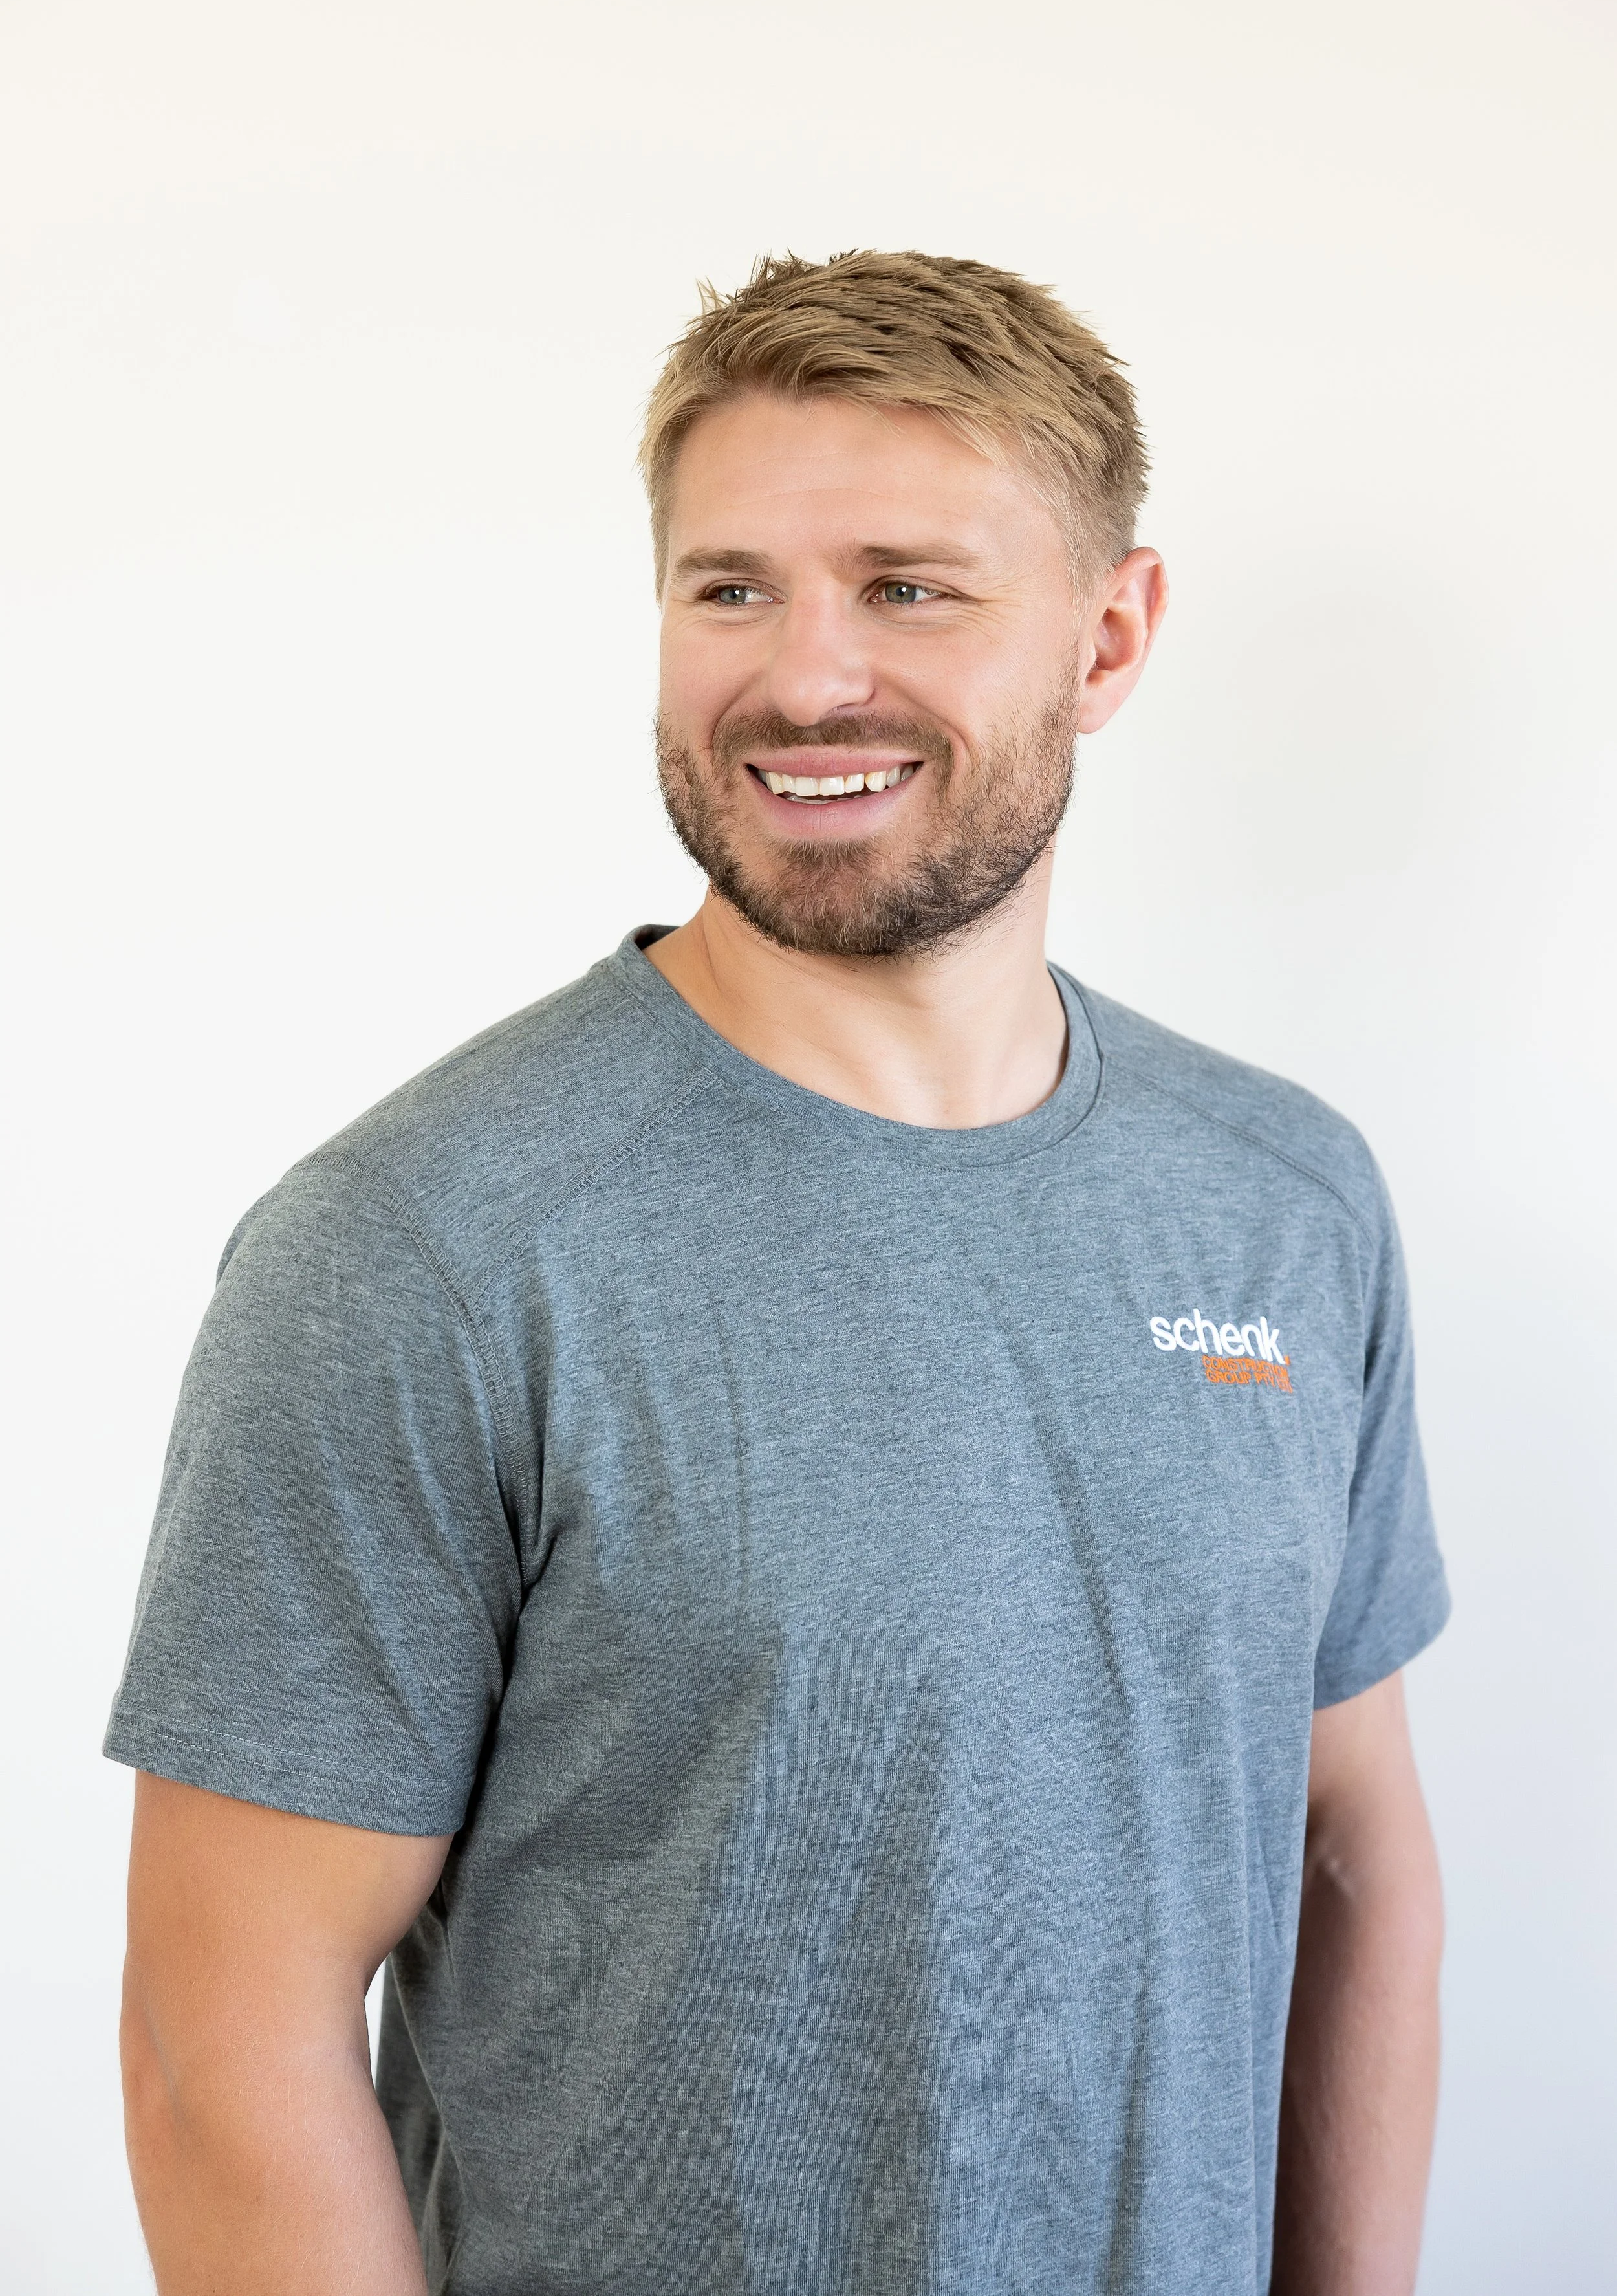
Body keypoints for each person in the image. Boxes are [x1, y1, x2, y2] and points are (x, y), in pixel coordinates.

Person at [108, 250, 1449, 2296]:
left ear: (1106, 635)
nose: (805, 678)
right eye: (731, 587)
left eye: (907, 587)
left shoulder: (1280, 1200)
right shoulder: (424, 1247)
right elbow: (223, 2044)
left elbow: (1350, 1845)